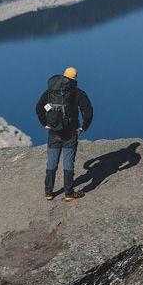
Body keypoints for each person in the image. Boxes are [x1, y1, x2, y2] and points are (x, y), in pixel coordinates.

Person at [36, 66, 93, 202]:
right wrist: (83, 127)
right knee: (68, 164)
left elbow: (39, 107)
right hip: (70, 133)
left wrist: (45, 123)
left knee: (51, 163)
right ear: (75, 79)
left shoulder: (51, 92)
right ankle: (69, 193)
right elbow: (88, 112)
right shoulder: (78, 93)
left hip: (54, 132)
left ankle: (48, 192)